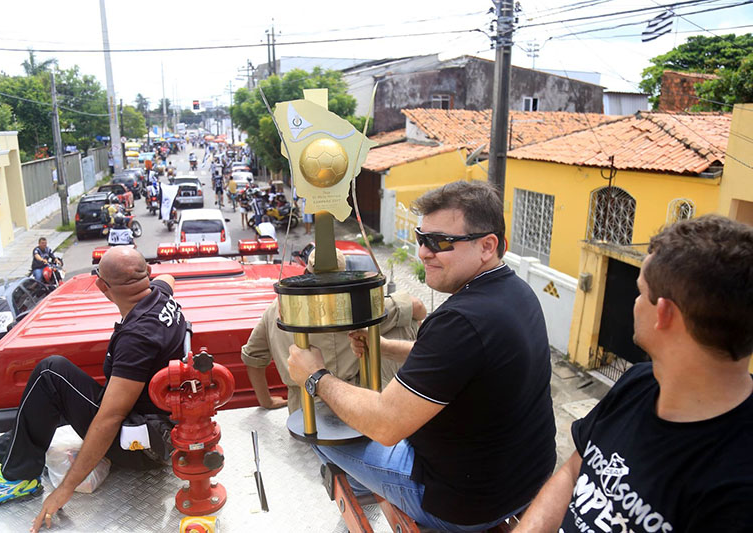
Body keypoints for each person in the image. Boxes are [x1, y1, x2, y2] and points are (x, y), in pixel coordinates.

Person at [287, 180, 556, 531]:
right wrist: (384, 347)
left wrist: (316, 376)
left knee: (320, 430)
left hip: (462, 506)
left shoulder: (459, 320)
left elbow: (385, 424)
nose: (424, 253)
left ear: (487, 246)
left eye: (440, 242)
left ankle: (374, 486)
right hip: (524, 483)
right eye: (421, 238)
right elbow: (460, 361)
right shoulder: (515, 292)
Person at [514, 215, 753, 533]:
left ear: (664, 313)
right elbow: (574, 472)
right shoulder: (637, 382)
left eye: (641, 291)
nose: (636, 302)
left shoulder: (739, 489)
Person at [0, 247, 188, 531]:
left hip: (139, 447)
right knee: (51, 395)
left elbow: (110, 417)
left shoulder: (137, 338)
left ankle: (17, 477)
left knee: (51, 372)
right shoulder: (160, 296)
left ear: (102, 286)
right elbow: (169, 277)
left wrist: (64, 489)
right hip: (156, 427)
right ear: (147, 275)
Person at [242, 249, 426, 413]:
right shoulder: (357, 308)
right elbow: (418, 307)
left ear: (305, 273)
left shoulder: (277, 309)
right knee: (405, 323)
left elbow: (253, 356)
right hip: (353, 403)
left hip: (301, 409)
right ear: (344, 276)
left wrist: (265, 401)